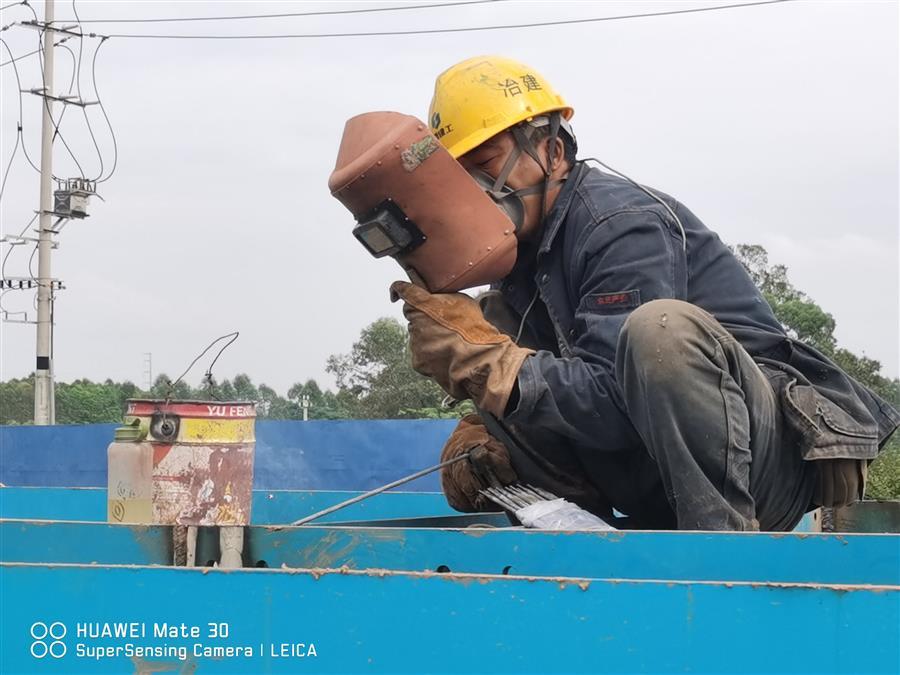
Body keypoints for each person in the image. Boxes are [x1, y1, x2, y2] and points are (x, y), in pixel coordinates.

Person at [389, 55, 900, 531]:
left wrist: (494, 369)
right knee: (494, 331)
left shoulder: (619, 224)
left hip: (765, 468)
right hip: (661, 479)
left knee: (662, 332)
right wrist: (493, 424)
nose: (479, 190)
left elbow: (613, 406)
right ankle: (577, 544)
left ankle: (721, 554)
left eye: (487, 163)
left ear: (553, 150)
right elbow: (564, 393)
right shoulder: (520, 266)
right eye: (463, 176)